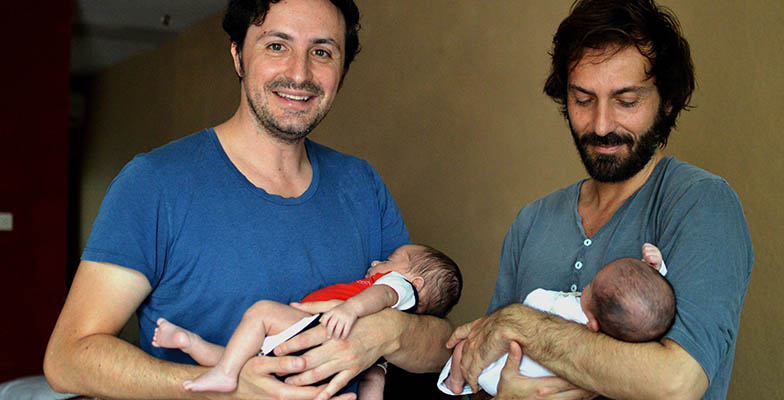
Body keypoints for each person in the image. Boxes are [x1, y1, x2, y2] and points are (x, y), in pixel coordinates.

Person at [43, 1, 454, 399]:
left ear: (342, 71)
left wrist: (386, 334)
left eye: (323, 52)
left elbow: (441, 347)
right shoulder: (154, 183)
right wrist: (221, 391)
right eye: (277, 45)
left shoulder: (362, 185)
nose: (300, 72)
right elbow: (68, 359)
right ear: (238, 56)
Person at [445, 0, 753, 399]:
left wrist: (523, 324)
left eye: (627, 101)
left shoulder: (702, 204)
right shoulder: (532, 221)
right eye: (583, 100)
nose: (601, 125)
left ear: (669, 100)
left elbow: (676, 383)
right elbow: (482, 366)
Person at [151, 243, 462, 398]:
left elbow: (380, 296)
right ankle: (195, 347)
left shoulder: (399, 289)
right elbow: (373, 383)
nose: (376, 262)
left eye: (389, 260)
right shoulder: (379, 351)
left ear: (416, 283)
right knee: (250, 365)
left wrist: (350, 309)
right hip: (315, 362)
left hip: (315, 330)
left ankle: (221, 369)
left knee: (260, 314)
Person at [438, 243, 673, 396]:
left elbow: (533, 303)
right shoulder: (623, 330)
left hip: (501, 372)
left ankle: (455, 383)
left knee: (463, 347)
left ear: (592, 324)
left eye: (589, 288)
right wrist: (657, 270)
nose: (585, 288)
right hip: (530, 384)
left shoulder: (569, 314)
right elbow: (645, 303)